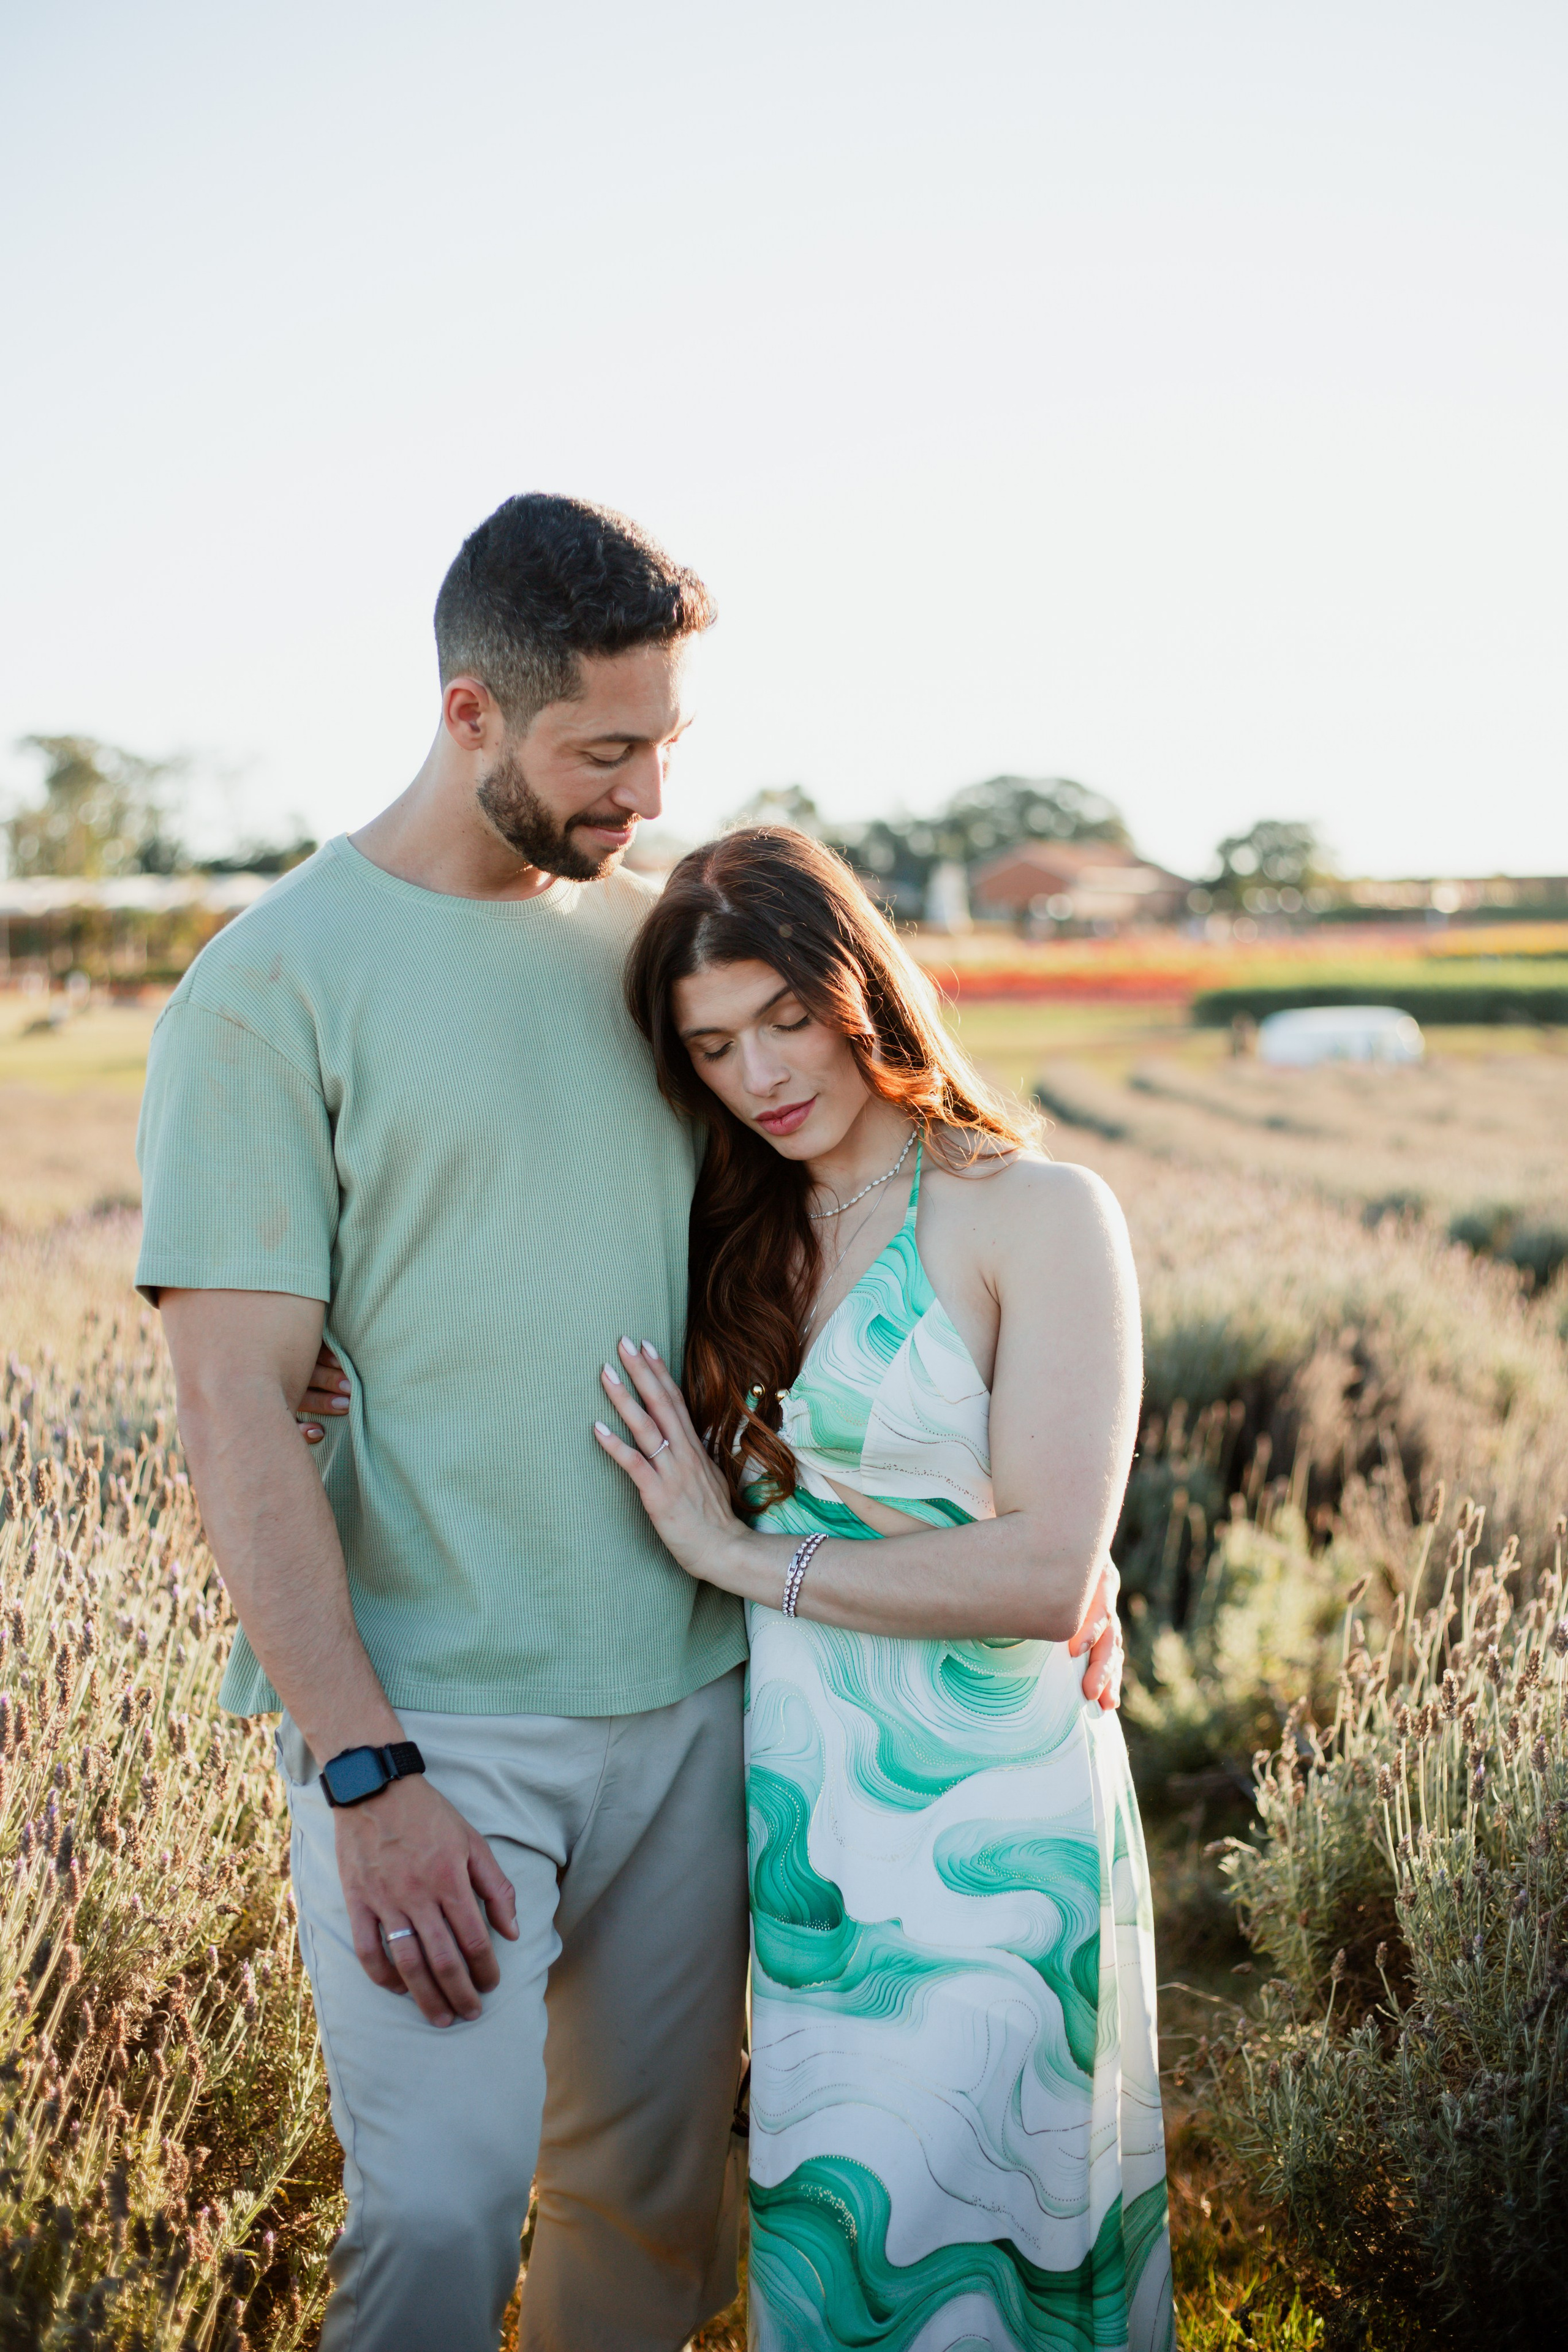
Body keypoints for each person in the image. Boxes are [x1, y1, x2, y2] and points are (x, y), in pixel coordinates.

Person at [134, 495, 755, 2352]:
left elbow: (860, 1236)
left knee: (652, 2223)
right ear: (471, 713)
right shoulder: (268, 986)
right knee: (439, 2208)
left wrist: (1045, 1533)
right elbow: (232, 1401)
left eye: (665, 744)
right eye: (602, 749)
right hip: (435, 1723)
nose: (644, 791)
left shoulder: (667, 960)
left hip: (692, 1693)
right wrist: (365, 1776)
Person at [585, 826, 1174, 2351]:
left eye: (787, 1016)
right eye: (714, 1046)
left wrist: (739, 1558)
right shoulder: (727, 1225)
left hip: (986, 1825)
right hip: (803, 1824)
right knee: (837, 2245)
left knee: (977, 2235)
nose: (762, 1073)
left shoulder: (1034, 1213)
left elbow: (1046, 1569)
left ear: (862, 987)